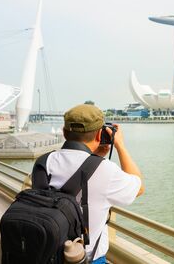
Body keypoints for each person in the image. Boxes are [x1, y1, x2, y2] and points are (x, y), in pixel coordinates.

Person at [32, 104, 144, 264]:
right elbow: (139, 188)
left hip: (45, 256)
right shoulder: (106, 170)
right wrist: (120, 146)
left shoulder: (43, 162)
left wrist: (93, 158)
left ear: (64, 132)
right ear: (100, 134)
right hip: (84, 259)